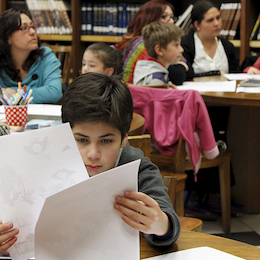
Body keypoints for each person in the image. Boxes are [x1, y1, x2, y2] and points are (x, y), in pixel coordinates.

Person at [0, 73, 181, 255]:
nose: (93, 154)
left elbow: (167, 226)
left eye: (106, 141)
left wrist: (161, 225)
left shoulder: (139, 171)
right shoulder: (41, 166)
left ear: (124, 138)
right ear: (65, 133)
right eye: (82, 140)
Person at [115, 0, 191, 85]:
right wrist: (182, 66)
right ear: (149, 18)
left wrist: (180, 67)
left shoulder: (165, 42)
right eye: (164, 17)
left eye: (172, 17)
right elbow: (177, 76)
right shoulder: (143, 44)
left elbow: (189, 71)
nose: (171, 22)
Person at [0, 8, 62, 104]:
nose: (33, 32)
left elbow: (54, 92)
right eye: (24, 28)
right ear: (8, 37)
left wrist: (11, 93)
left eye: (33, 27)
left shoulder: (45, 56)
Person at [181, 0, 239, 79]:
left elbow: (235, 76)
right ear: (197, 25)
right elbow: (185, 75)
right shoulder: (184, 45)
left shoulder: (228, 46)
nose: (217, 24)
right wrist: (215, 74)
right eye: (210, 20)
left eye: (218, 18)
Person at [133, 21, 184, 86]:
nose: (181, 50)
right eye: (176, 45)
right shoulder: (156, 80)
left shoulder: (149, 70)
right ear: (159, 50)